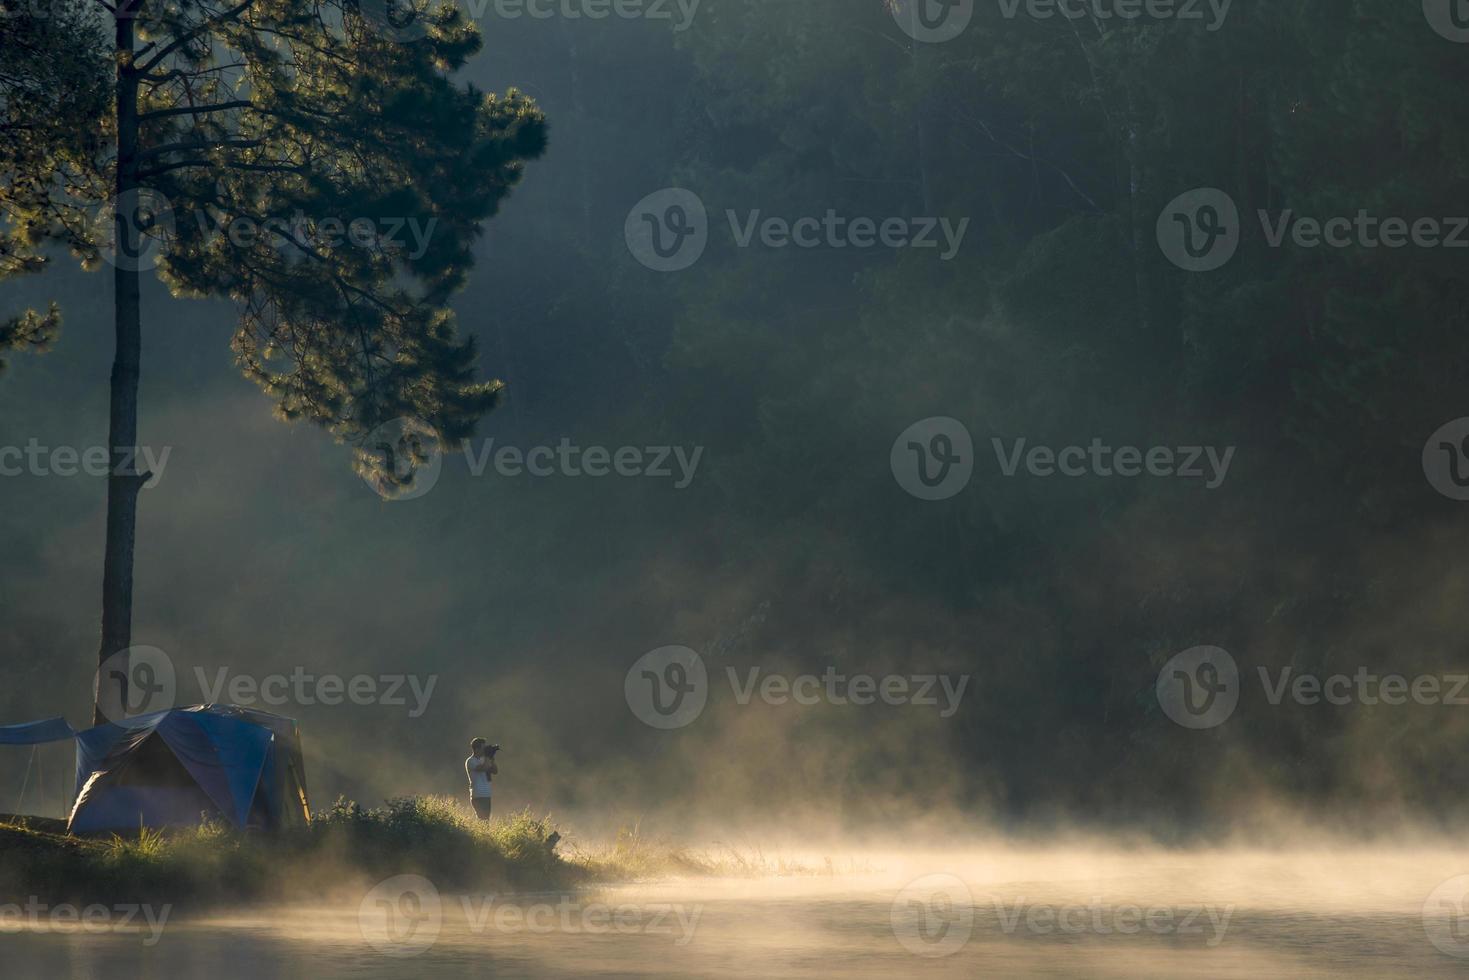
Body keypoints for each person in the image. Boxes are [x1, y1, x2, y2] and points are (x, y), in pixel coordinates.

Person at [465, 737, 497, 820]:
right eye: (483, 748)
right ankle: (480, 832)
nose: (485, 750)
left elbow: (495, 771)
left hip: (486, 794)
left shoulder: (484, 759)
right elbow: (483, 768)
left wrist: (492, 758)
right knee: (482, 819)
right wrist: (487, 757)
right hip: (478, 795)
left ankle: (483, 833)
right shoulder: (470, 761)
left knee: (486, 819)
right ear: (476, 749)